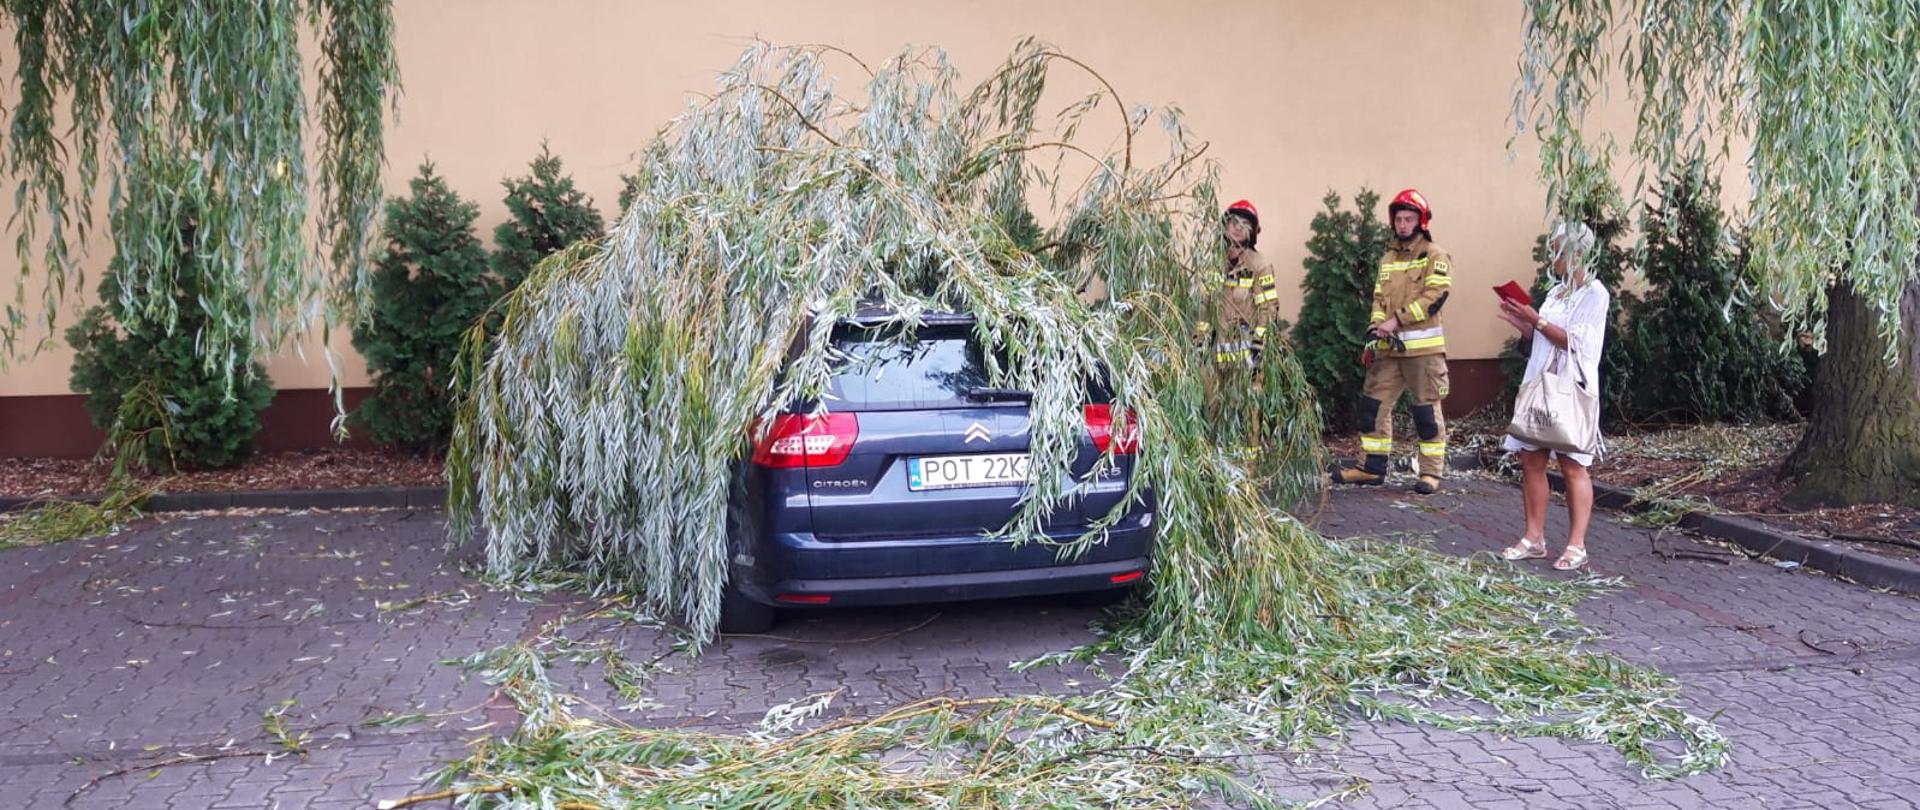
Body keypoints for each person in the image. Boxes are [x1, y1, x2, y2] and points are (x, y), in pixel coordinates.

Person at [1495, 221, 1612, 571]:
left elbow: (1578, 344)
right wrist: (1526, 327)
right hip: (1541, 383)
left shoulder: (1595, 293)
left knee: (1573, 464)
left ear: (1576, 252)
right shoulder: (1557, 292)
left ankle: (1576, 545)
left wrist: (1539, 322)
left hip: (1571, 387)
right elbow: (1545, 338)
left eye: (1558, 248)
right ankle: (1534, 538)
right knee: (1531, 458)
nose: (1552, 255)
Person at [1332, 188, 1453, 494]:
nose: (1402, 224)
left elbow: (1434, 298)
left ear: (1421, 221)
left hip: (1423, 352)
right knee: (1372, 408)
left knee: (1426, 414)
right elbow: (1377, 298)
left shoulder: (1434, 255)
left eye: (1408, 219)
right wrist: (1375, 326)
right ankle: (1371, 468)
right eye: (1398, 219)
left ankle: (1430, 473)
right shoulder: (1387, 258)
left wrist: (1395, 320)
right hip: (1388, 350)